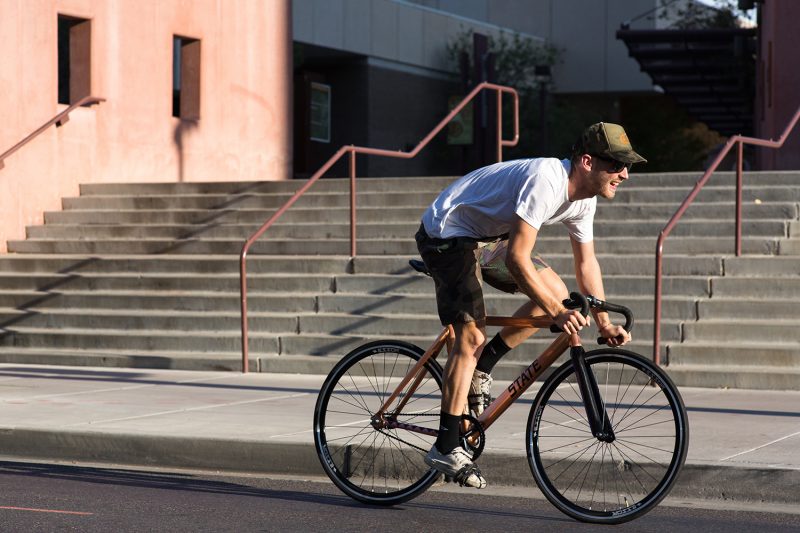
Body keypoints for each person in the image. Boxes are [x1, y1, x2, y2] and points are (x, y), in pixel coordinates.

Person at [415, 122, 645, 488]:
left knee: (556, 291)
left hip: (486, 237)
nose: (625, 174)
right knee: (471, 337)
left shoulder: (584, 200)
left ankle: (483, 366)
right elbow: (518, 261)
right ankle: (444, 445)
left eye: (626, 166)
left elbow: (586, 264)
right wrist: (556, 312)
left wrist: (602, 323)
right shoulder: (547, 180)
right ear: (587, 161)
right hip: (448, 232)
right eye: (617, 165)